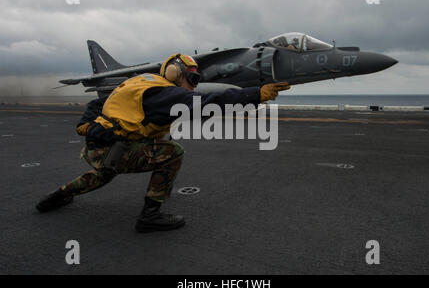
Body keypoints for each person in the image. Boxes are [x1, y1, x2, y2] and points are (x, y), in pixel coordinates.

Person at [36, 53, 290, 233]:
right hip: (113, 149)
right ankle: (150, 216)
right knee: (173, 153)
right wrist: (255, 94)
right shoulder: (166, 93)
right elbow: (209, 102)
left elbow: (97, 103)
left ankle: (57, 196)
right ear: (174, 73)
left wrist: (86, 124)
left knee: (103, 174)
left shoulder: (140, 84)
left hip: (99, 149)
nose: (194, 84)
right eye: (192, 78)